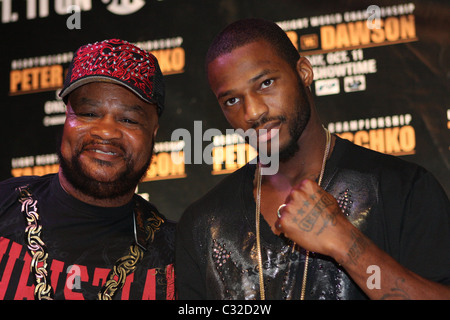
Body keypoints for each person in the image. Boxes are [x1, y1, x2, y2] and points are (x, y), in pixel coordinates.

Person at [175, 18, 450, 300]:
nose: (253, 112)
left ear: (304, 72)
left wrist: (346, 243)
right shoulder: (203, 225)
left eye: (266, 83)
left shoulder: (402, 189)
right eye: (232, 100)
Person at [0, 39, 175, 300]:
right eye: (89, 113)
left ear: (153, 134)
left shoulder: (177, 255)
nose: (105, 131)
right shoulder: (4, 205)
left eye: (128, 119)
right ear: (67, 119)